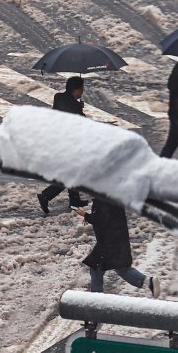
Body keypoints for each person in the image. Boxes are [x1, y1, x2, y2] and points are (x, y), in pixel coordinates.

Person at [77, 198, 160, 297]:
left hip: (109, 242)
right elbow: (105, 217)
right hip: (115, 238)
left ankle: (96, 299)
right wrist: (90, 216)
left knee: (101, 268)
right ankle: (148, 281)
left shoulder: (102, 199)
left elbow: (101, 220)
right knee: (116, 268)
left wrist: (85, 215)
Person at [37, 77, 89, 215]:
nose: (82, 92)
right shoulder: (73, 105)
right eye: (82, 89)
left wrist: (78, 106)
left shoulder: (59, 97)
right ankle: (46, 196)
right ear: (76, 89)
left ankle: (74, 200)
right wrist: (79, 108)